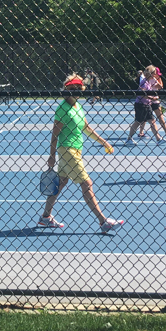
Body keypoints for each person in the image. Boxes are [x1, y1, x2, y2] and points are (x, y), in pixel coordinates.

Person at [38, 73, 124, 233]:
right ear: (66, 89)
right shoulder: (62, 109)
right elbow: (54, 133)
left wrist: (104, 142)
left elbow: (86, 128)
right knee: (86, 183)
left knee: (62, 183)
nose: (76, 91)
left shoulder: (78, 107)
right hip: (67, 150)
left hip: (76, 151)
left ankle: (45, 217)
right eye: (72, 88)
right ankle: (103, 221)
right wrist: (51, 156)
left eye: (79, 88)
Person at [126, 65, 166, 146]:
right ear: (151, 74)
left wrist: (151, 98)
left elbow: (159, 87)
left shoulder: (148, 81)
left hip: (146, 104)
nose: (156, 75)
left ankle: (158, 139)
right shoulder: (145, 83)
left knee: (152, 121)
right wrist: (151, 98)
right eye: (154, 73)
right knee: (138, 122)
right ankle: (129, 138)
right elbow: (141, 93)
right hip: (141, 105)